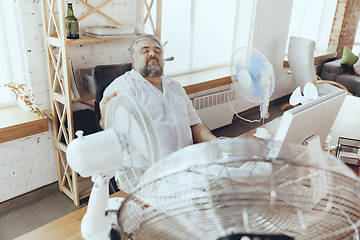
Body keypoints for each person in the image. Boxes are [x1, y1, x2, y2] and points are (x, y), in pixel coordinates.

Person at [99, 34, 217, 158]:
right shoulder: (123, 86)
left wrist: (213, 142)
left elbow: (195, 124)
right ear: (133, 59)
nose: (152, 54)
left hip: (186, 162)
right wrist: (105, 120)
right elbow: (113, 129)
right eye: (145, 51)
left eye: (157, 51)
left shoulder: (175, 86)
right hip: (149, 171)